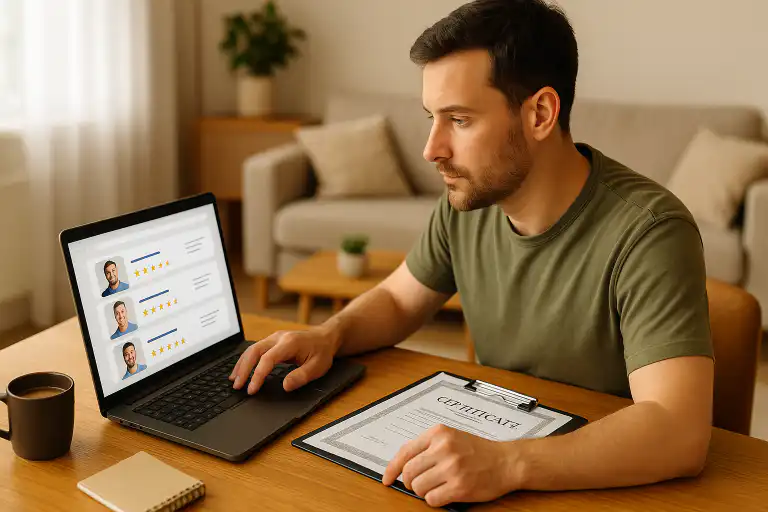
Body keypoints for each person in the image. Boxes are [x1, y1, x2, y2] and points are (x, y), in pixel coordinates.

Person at [230, 0, 713, 507]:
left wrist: (508, 463)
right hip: (500, 471)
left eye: (458, 120)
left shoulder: (650, 232)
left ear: (540, 114)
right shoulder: (469, 202)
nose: (431, 149)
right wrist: (331, 335)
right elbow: (398, 300)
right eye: (432, 119)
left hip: (604, 485)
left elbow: (678, 431)